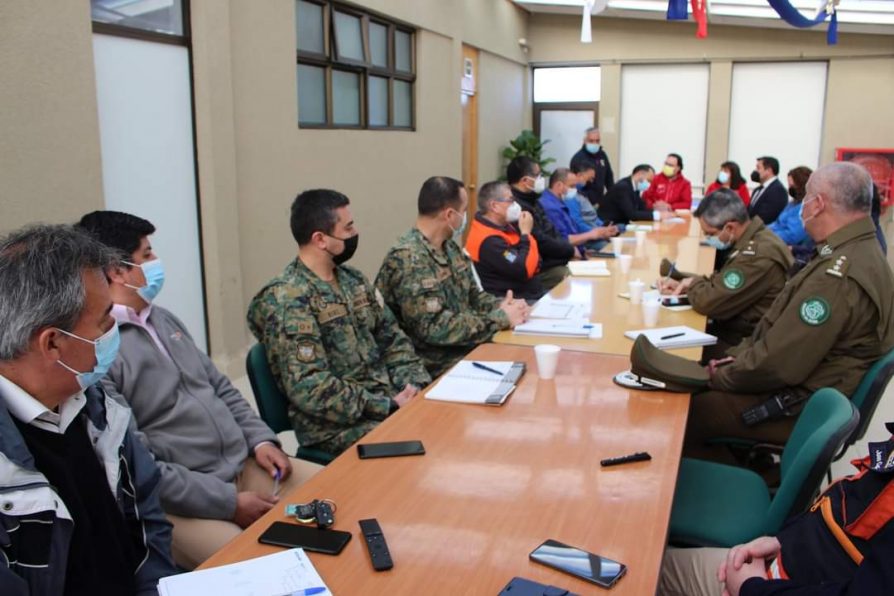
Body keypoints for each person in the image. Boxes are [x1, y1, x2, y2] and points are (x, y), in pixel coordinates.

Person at [77, 211, 321, 569]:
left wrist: (262, 441)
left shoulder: (164, 319)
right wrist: (229, 503)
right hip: (182, 500)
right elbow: (140, 464)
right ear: (117, 271)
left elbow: (220, 388)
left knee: (335, 496)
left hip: (245, 466)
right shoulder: (103, 353)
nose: (156, 262)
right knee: (258, 564)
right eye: (147, 255)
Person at [0, 224, 177, 594]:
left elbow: (147, 522)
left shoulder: (99, 405)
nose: (114, 328)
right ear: (52, 344)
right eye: (104, 320)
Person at [683, 162, 894, 462]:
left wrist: (717, 375)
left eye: (806, 197)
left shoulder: (838, 276)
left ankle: (731, 490)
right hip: (815, 389)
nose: (800, 206)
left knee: (689, 412)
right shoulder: (859, 251)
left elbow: (777, 365)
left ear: (818, 204)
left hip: (800, 404)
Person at [247, 189, 432, 456]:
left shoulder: (353, 281)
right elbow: (310, 387)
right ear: (320, 239)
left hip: (386, 404)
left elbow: (392, 340)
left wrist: (415, 386)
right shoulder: (287, 299)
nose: (355, 232)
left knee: (442, 421)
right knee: (427, 441)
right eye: (348, 227)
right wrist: (385, 405)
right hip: (337, 427)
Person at [659, 428, 894, 596]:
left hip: (767, 585)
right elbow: (849, 503)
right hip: (780, 567)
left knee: (645, 572)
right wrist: (784, 540)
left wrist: (750, 587)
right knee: (657, 566)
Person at [375, 177, 529, 378]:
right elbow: (434, 328)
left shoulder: (449, 247)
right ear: (449, 214)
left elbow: (473, 296)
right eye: (464, 210)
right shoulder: (408, 258)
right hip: (434, 363)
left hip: (466, 346)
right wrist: (500, 319)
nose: (466, 217)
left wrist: (502, 306)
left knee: (524, 361)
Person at [659, 190, 792, 359]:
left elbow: (709, 303)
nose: (707, 239)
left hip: (745, 343)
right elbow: (722, 280)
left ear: (730, 227)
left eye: (710, 234)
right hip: (738, 329)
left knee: (672, 354)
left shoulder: (757, 255)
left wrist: (693, 285)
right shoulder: (755, 238)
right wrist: (688, 282)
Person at [465, 180, 544, 301]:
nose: (516, 205)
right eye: (511, 200)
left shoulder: (505, 226)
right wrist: (526, 234)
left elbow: (536, 261)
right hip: (513, 300)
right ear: (494, 206)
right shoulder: (489, 241)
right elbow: (524, 269)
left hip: (530, 291)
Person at [507, 156, 575, 291]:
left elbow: (551, 228)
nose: (541, 179)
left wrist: (566, 248)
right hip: (541, 268)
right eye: (538, 176)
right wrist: (568, 250)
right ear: (525, 181)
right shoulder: (517, 208)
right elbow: (540, 242)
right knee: (572, 279)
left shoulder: (533, 200)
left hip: (552, 260)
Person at [538, 168, 618, 256]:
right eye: (572, 186)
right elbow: (563, 240)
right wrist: (591, 234)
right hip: (564, 258)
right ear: (559, 185)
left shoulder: (559, 202)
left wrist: (584, 250)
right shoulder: (551, 207)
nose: (574, 190)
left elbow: (572, 231)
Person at [768, 166, 812, 248]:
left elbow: (793, 236)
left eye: (792, 186)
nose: (790, 189)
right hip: (775, 240)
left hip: (787, 248)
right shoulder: (792, 203)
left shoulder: (805, 207)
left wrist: (768, 235)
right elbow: (778, 223)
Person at [570, 126, 614, 205]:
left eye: (597, 141)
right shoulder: (578, 158)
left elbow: (609, 177)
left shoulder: (602, 155)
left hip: (600, 201)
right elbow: (575, 183)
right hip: (584, 201)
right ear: (585, 141)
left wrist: (612, 196)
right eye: (591, 141)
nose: (595, 143)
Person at [748, 156, 788, 225]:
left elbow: (766, 218)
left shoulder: (778, 190)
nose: (755, 171)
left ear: (769, 170)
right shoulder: (757, 189)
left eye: (758, 168)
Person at [568, 162, 602, 228]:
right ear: (579, 175)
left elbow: (593, 217)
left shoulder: (581, 194)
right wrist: (597, 233)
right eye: (589, 178)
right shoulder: (570, 196)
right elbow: (576, 222)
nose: (591, 182)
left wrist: (604, 226)